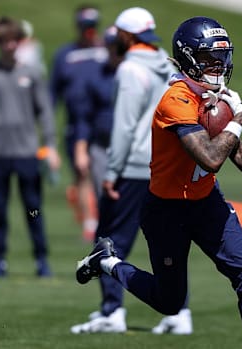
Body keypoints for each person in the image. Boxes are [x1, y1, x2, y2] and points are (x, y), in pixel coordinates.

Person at [75, 16, 242, 349]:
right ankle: (107, 262)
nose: (218, 66)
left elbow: (232, 145)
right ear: (189, 58)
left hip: (207, 202)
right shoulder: (175, 100)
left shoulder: (215, 95)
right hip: (167, 210)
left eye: (222, 58)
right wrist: (237, 118)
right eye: (209, 58)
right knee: (170, 302)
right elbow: (210, 156)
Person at [70, 9, 193, 335]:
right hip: (167, 166)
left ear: (126, 36)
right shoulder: (168, 62)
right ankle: (179, 313)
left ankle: (112, 311)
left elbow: (123, 127)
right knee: (168, 241)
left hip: (134, 167)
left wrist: (111, 172)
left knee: (110, 240)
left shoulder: (129, 69)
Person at [0, 16, 61, 278]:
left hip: (26, 152)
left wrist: (50, 146)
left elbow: (45, 112)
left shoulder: (31, 74)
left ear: (19, 41)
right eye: (3, 41)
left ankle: (41, 258)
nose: (9, 46)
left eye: (13, 40)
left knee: (33, 208)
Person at [50, 4, 106, 241]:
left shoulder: (106, 51)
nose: (88, 31)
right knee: (81, 172)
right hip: (76, 122)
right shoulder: (65, 55)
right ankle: (90, 221)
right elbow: (53, 92)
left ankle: (107, 217)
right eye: (85, 27)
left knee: (105, 173)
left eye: (92, 27)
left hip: (104, 122)